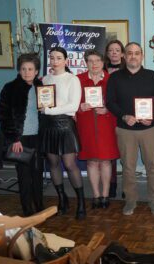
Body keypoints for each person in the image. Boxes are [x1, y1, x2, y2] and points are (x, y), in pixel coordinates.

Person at [106, 42, 154, 216]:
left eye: (137, 53)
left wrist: (152, 116)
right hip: (126, 129)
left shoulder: (152, 76)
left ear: (142, 56)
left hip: (149, 129)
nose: (133, 56)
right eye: (130, 53)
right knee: (128, 167)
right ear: (124, 56)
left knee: (152, 166)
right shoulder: (115, 78)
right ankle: (130, 201)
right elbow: (110, 102)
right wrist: (124, 116)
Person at [40, 47, 85, 219]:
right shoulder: (44, 79)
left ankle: (81, 202)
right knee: (52, 163)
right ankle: (62, 198)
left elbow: (73, 106)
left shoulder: (72, 79)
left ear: (66, 61)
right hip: (48, 126)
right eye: (52, 57)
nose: (54, 60)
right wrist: (45, 111)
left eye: (59, 57)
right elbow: (41, 103)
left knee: (70, 164)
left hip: (65, 125)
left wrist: (49, 111)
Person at [0, 53, 44, 216]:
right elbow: (3, 116)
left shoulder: (41, 87)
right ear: (19, 70)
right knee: (24, 176)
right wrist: (14, 139)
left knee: (37, 173)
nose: (27, 72)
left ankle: (39, 206)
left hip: (38, 137)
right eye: (23, 69)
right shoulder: (9, 88)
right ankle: (27, 210)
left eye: (30, 69)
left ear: (36, 71)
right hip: (20, 139)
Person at [76, 50, 120, 209]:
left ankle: (106, 195)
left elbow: (119, 102)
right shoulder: (78, 80)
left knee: (106, 160)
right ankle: (96, 195)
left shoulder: (112, 79)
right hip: (86, 124)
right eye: (90, 61)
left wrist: (109, 109)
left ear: (103, 62)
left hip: (106, 124)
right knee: (92, 161)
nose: (94, 64)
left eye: (97, 61)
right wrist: (79, 107)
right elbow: (71, 102)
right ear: (85, 63)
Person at [104, 39, 126, 198]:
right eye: (111, 50)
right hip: (105, 116)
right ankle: (111, 185)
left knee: (126, 154)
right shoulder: (101, 69)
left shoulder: (129, 69)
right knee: (108, 154)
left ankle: (127, 186)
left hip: (123, 115)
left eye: (117, 50)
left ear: (122, 53)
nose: (114, 53)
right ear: (107, 53)